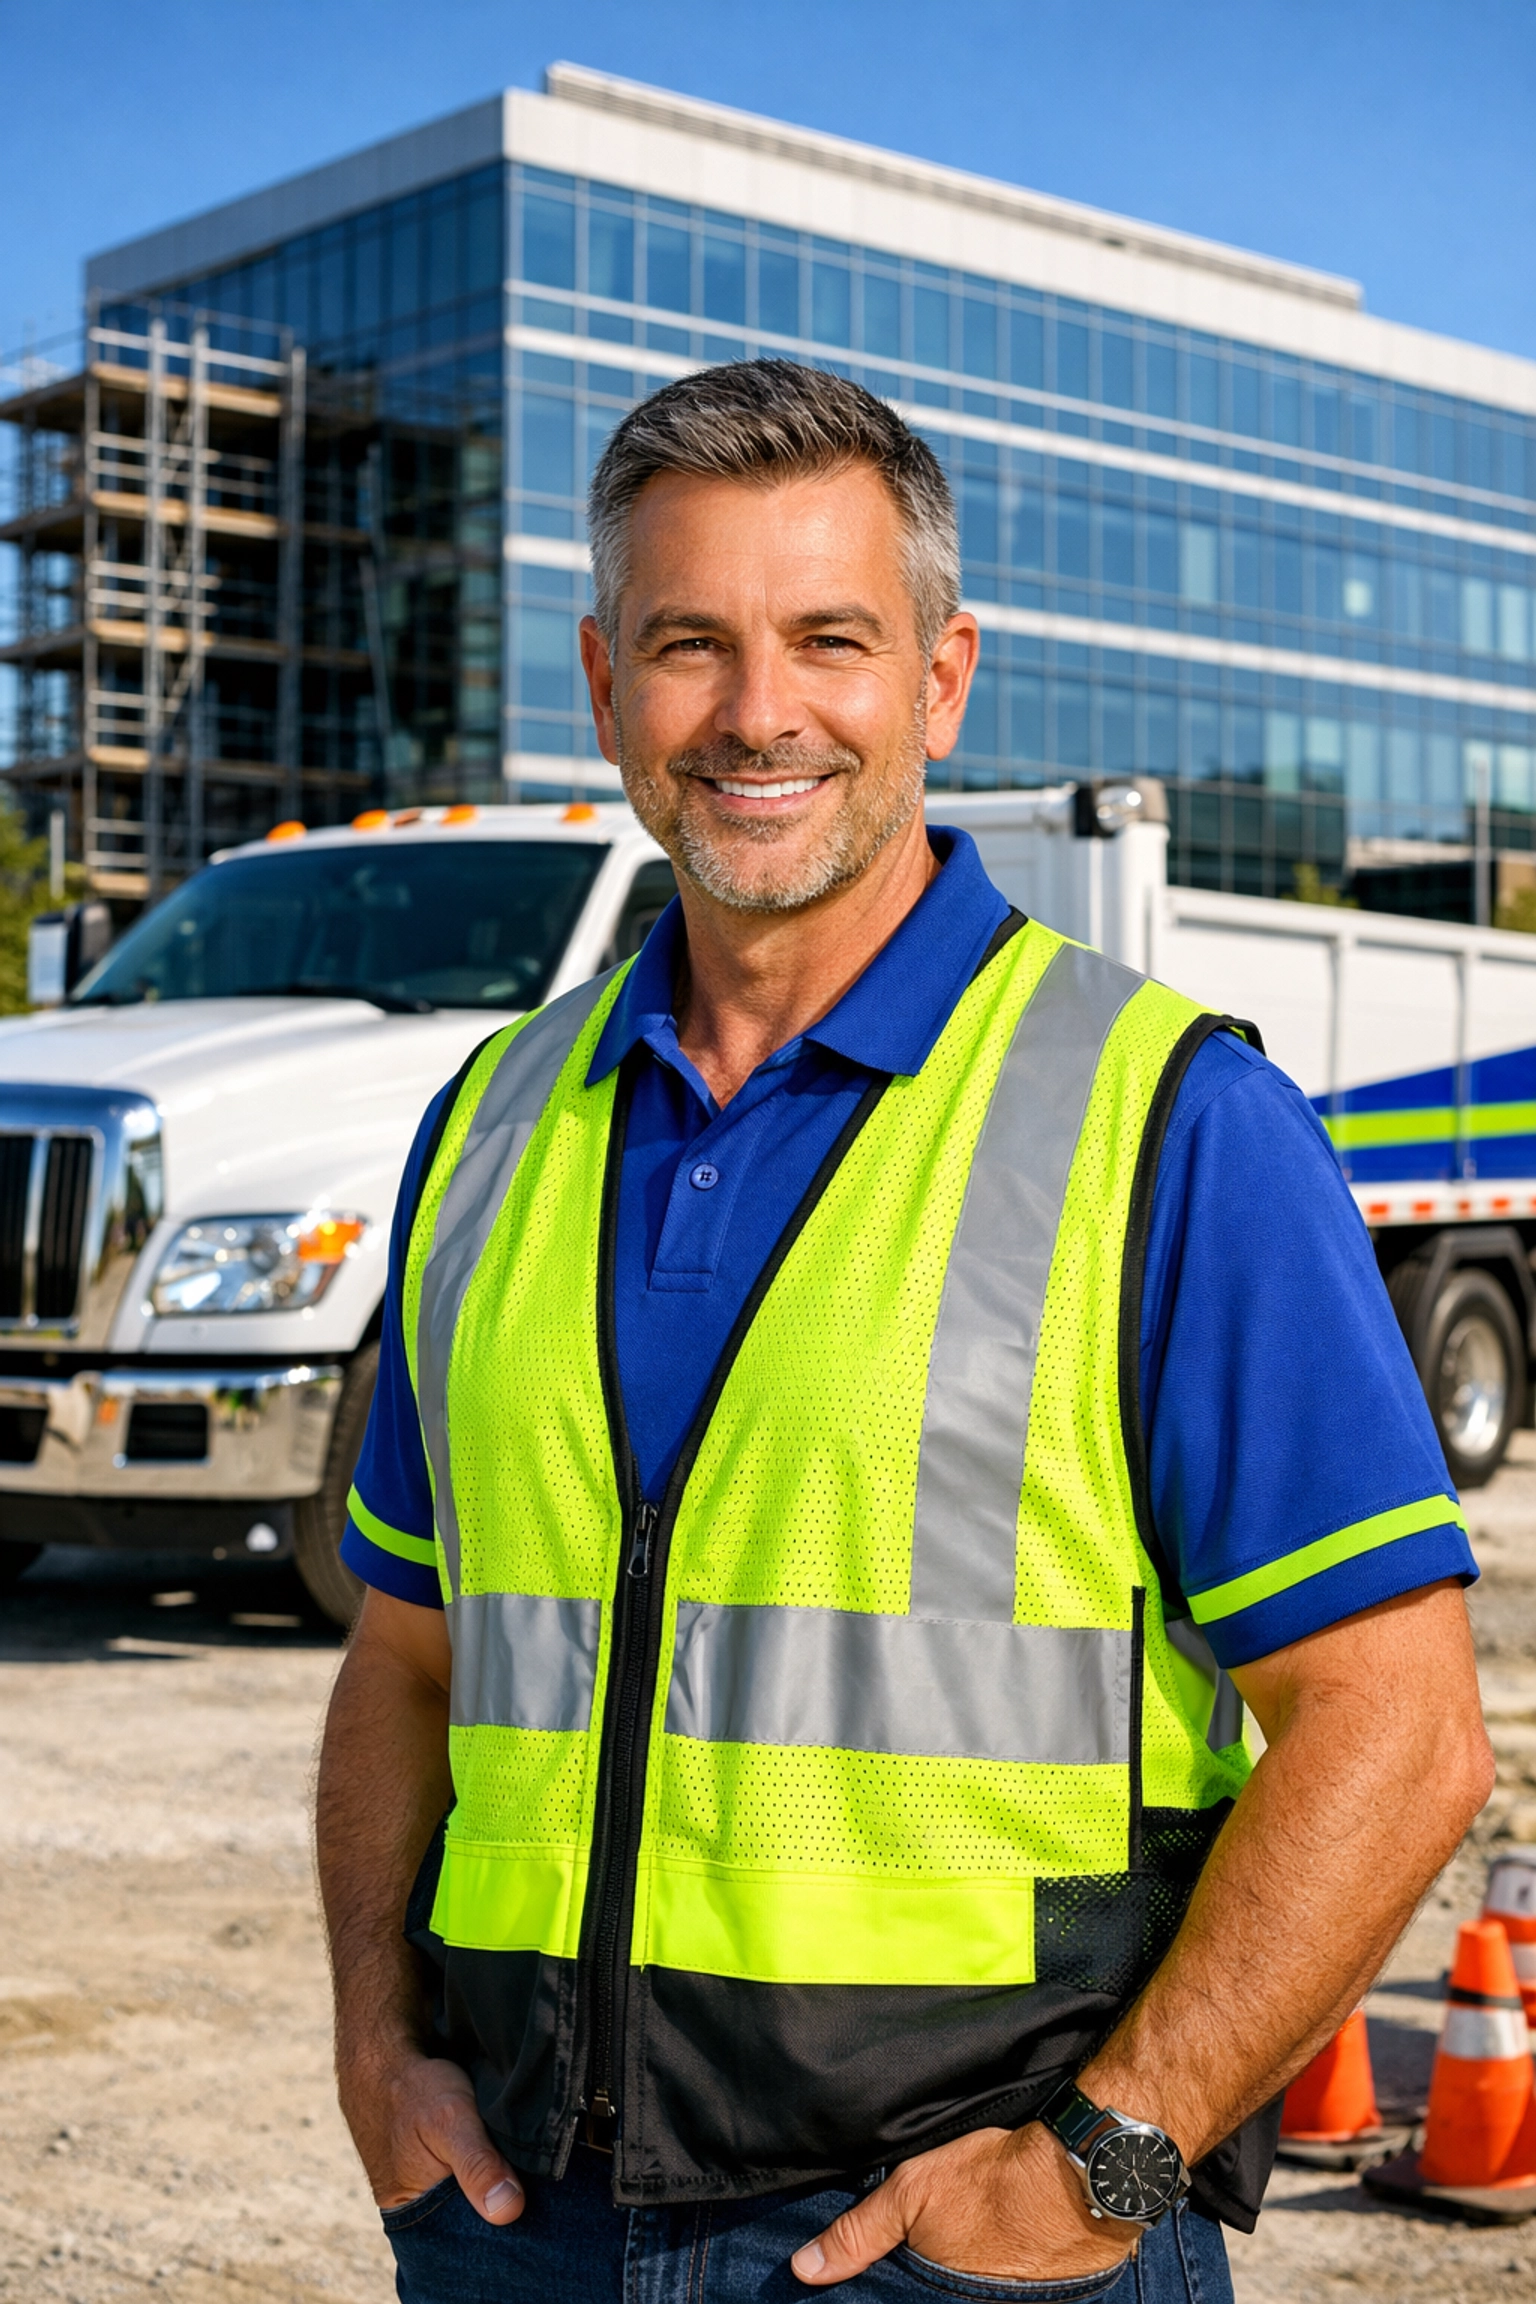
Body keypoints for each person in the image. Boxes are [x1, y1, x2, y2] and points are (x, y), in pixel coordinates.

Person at [316, 359, 1492, 2304]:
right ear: (607, 691)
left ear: (941, 678)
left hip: (964, 2252)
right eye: (691, 645)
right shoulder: (495, 1133)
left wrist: (1111, 2159)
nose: (758, 713)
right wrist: (377, 2046)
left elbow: (1400, 1728)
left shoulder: (1164, 1124)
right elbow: (409, 1667)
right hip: (523, 2225)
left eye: (829, 641)